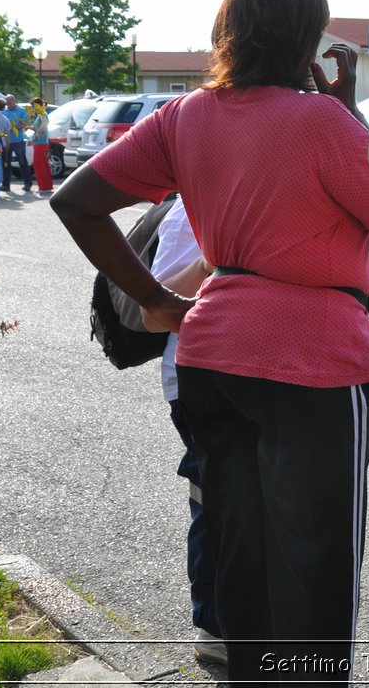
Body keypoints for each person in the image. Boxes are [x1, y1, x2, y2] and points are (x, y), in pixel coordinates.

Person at [52, 0, 369, 684]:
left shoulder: (186, 115)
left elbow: (77, 200)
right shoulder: (321, 121)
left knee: (240, 556)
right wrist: (346, 113)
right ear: (305, 39)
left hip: (211, 356)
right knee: (316, 564)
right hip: (316, 362)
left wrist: (155, 297)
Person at [138, 196, 227, 666]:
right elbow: (156, 311)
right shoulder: (189, 209)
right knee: (213, 499)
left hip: (255, 376)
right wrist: (213, 262)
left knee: (249, 501)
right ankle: (214, 625)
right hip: (198, 379)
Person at [1, 95, 32, 194]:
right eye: (7, 102)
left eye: (10, 102)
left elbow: (27, 123)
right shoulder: (4, 111)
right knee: (6, 163)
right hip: (7, 141)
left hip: (18, 140)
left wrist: (19, 126)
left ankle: (28, 184)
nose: (8, 104)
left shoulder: (21, 111)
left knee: (22, 162)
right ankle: (6, 185)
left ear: (15, 101)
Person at [28, 97, 54, 194]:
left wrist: (39, 131)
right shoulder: (42, 113)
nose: (32, 108)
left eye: (33, 106)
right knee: (43, 164)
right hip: (42, 142)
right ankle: (47, 186)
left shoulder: (41, 113)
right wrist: (29, 127)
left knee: (38, 164)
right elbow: (42, 124)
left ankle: (43, 187)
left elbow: (45, 123)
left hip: (40, 142)